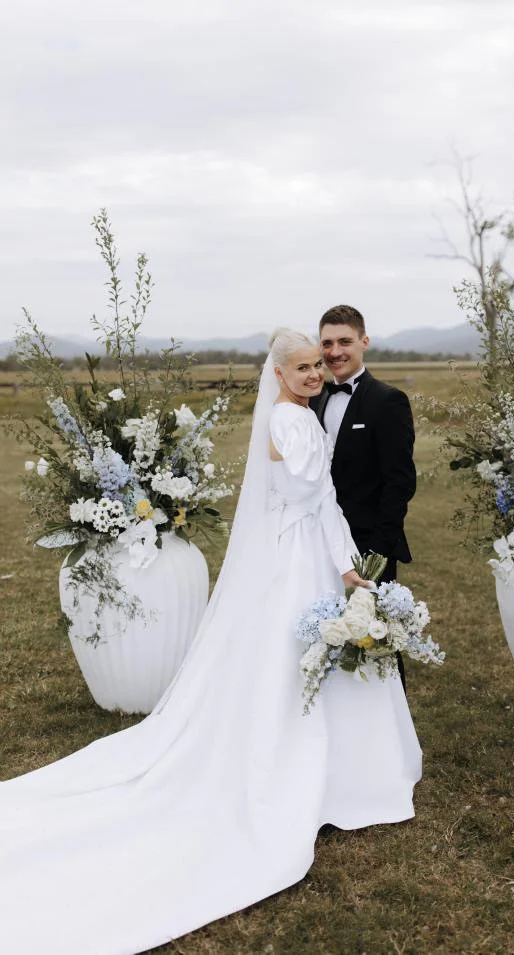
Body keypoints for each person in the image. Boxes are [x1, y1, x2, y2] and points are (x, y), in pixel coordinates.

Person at [0, 328, 421, 955]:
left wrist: (346, 565)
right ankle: (285, 764)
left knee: (326, 654)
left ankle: (347, 772)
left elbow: (329, 502)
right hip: (287, 558)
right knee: (290, 654)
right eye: (302, 367)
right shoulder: (288, 423)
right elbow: (308, 493)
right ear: (278, 374)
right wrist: (313, 453)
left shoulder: (304, 419)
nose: (313, 374)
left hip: (316, 551)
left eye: (317, 366)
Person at [310, 305, 417, 689]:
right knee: (328, 633)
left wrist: (377, 553)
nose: (335, 351)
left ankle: (394, 731)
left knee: (378, 637)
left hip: (368, 545)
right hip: (318, 540)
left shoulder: (388, 401)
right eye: (327, 343)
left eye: (344, 341)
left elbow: (400, 482)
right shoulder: (315, 398)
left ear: (364, 342)